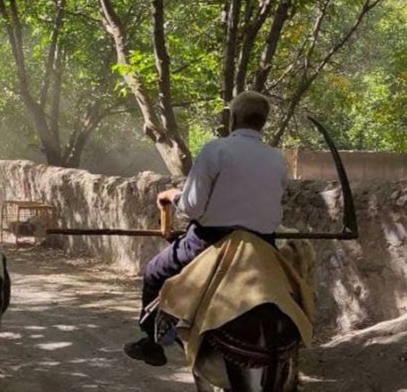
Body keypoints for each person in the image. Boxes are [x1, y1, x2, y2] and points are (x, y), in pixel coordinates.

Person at [123, 91, 288, 366]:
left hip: (211, 241)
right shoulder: (278, 159)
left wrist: (173, 195)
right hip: (262, 244)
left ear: (233, 118)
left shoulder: (216, 150)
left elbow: (192, 208)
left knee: (154, 271)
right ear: (263, 123)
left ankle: (152, 342)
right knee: (294, 284)